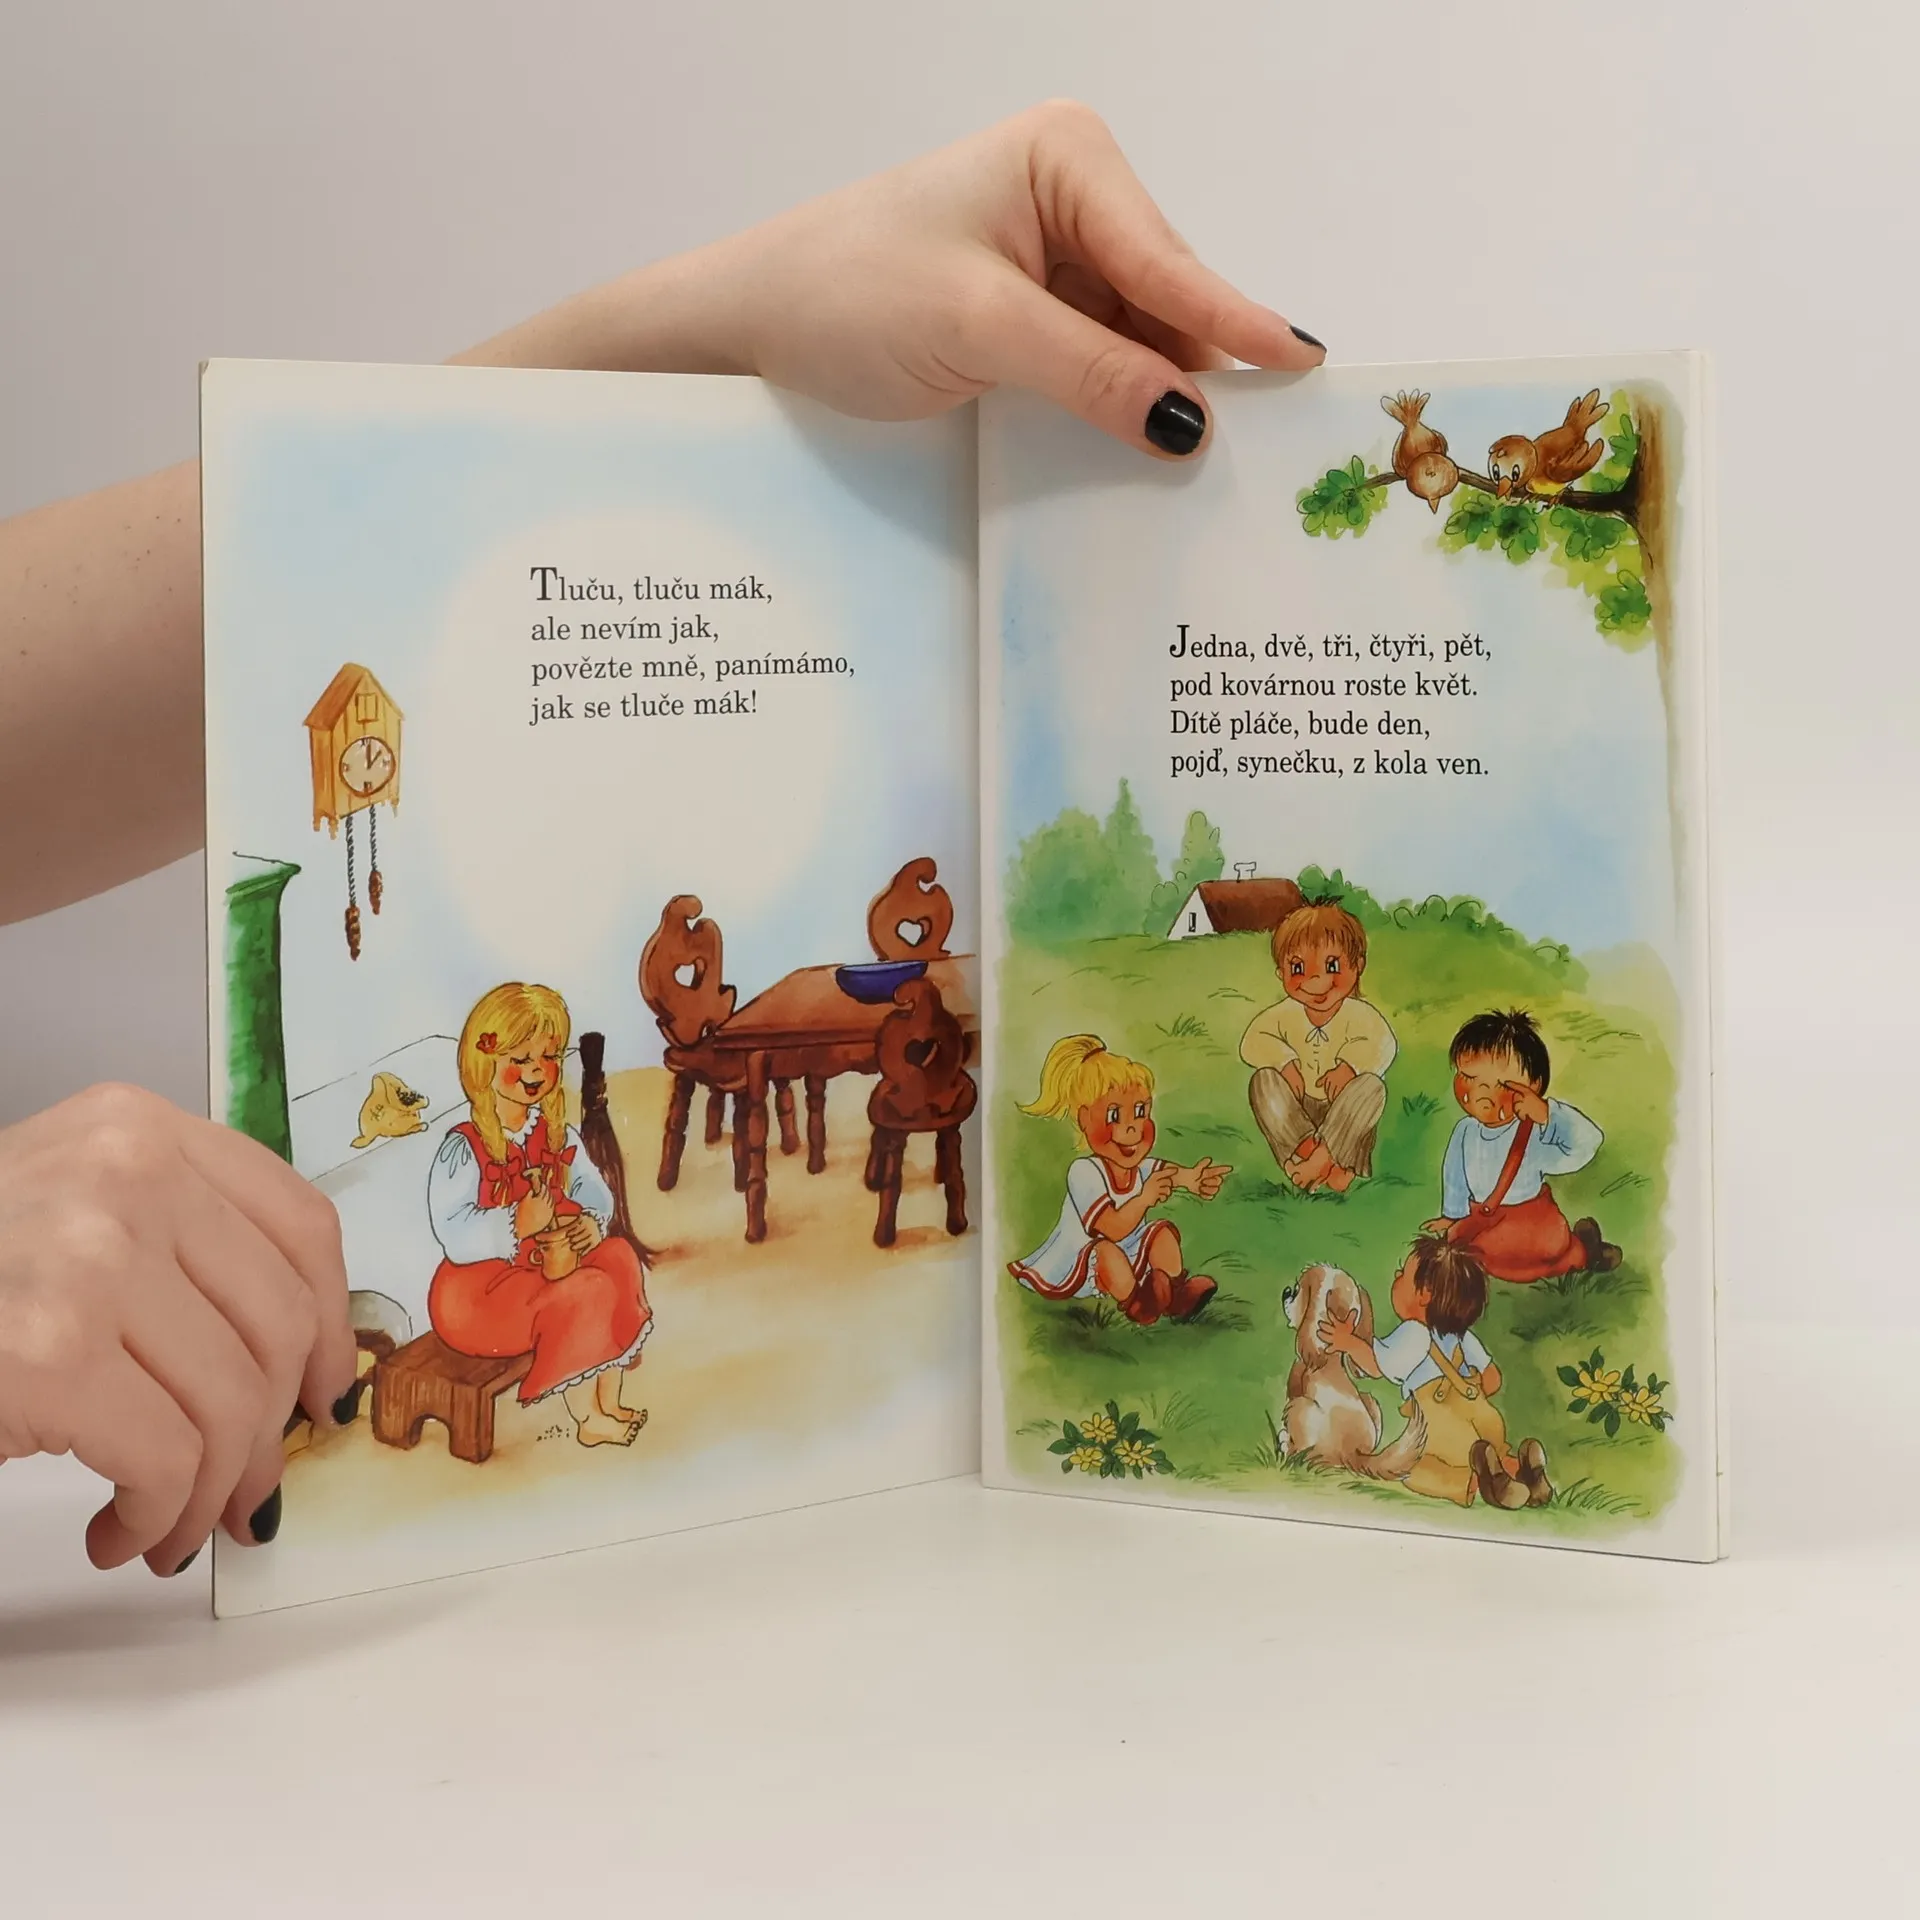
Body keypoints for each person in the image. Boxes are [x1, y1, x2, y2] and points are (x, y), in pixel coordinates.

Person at [0, 101, 1324, 1576]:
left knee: (618, 1267)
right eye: (511, 1065)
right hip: (507, 1279)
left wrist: (721, 321)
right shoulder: (481, 1149)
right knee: (559, 1275)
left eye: (530, 1066)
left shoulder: (582, 1124)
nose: (525, 1083)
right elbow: (483, 1213)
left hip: (607, 1240)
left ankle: (605, 1372)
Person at [428, 985, 651, 1447]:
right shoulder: (464, 1147)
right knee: (585, 1291)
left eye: (547, 1057)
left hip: (540, 1268)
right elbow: (451, 1229)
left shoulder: (556, 1134)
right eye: (521, 1058)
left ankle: (608, 1402)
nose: (535, 1070)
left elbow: (592, 1187)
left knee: (617, 1258)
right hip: (477, 1292)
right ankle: (588, 1421)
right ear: (484, 1063)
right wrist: (515, 1223)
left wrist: (590, 1220)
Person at [1318, 1235, 1552, 1509]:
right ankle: (1523, 1473)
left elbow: (1377, 1365)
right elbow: (1493, 1379)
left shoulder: (1414, 1333)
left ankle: (1477, 1483)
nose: (1396, 1277)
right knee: (1492, 1450)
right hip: (1482, 1412)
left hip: (1441, 1422)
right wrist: (1468, 1398)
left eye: (1403, 1274)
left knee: (1412, 1469)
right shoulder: (1462, 1336)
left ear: (1424, 1294)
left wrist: (1348, 1342)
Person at [1010, 1034, 1229, 1325]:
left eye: (1140, 1112)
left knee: (1161, 1233)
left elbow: (1169, 1173)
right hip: (1082, 1262)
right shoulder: (1084, 1172)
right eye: (1114, 1115)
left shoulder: (1139, 1168)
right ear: (1085, 1120)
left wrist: (1191, 1179)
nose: (1132, 1128)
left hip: (1128, 1252)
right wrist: (1145, 1198)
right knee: (1107, 1253)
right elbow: (1111, 1229)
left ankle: (1174, 1295)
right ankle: (1138, 1304)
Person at [1424, 1008, 1622, 1283]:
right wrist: (1453, 1214)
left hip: (1531, 1224)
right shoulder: (1465, 1131)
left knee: (1550, 1247)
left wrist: (1548, 1114)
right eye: (1469, 1078)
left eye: (1500, 1084)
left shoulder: (1533, 1132)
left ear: (1534, 1086)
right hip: (1485, 1221)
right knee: (1462, 1244)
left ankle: (1585, 1252)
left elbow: (1587, 1142)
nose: (1481, 1092)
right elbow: (1454, 1175)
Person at [1239, 899, 1396, 1192]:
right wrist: (1285, 1063)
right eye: (1298, 967)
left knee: (1372, 1087)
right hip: (1298, 1109)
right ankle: (1310, 1155)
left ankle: (1324, 1158)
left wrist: (1349, 1067)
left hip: (1344, 1111)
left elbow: (1383, 1044)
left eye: (1331, 965)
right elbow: (1252, 1041)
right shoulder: (1283, 1014)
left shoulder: (1361, 1014)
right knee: (1262, 1081)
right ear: (1281, 973)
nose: (1315, 980)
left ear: (1358, 966)